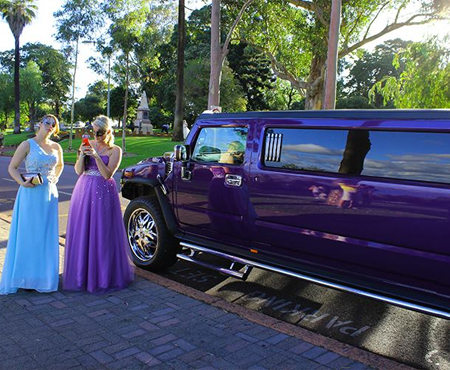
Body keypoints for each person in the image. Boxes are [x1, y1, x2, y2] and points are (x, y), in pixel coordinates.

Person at [63, 115, 133, 293]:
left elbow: (108, 174)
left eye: (99, 132)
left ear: (108, 131)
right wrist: (82, 156)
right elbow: (79, 171)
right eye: (93, 131)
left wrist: (96, 156)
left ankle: (103, 277)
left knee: (102, 232)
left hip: (103, 192)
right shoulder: (87, 144)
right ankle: (82, 275)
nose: (96, 136)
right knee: (83, 231)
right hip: (83, 190)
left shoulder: (115, 150)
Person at [0, 115, 64, 294]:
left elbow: (59, 165)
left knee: (45, 234)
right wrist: (22, 182)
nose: (50, 126)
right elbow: (12, 168)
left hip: (49, 194)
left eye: (53, 124)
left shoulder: (56, 147)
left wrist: (56, 178)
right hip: (30, 193)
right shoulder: (27, 144)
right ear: (40, 124)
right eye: (47, 122)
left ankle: (43, 278)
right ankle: (25, 278)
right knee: (29, 234)